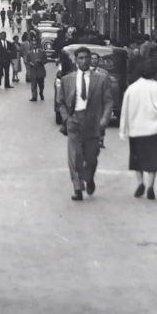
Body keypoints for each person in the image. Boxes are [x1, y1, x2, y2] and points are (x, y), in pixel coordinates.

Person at [56, 48, 113, 201]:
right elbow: (60, 102)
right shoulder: (67, 79)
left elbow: (108, 102)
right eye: (80, 58)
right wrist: (66, 118)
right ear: (76, 61)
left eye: (87, 58)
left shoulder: (101, 79)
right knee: (75, 156)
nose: (84, 61)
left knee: (92, 156)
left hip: (94, 122)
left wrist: (104, 119)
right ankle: (77, 188)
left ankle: (89, 177)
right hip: (74, 119)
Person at [119, 58, 157, 200]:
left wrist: (123, 130)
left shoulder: (131, 89)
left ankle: (140, 182)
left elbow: (125, 111)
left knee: (137, 159)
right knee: (152, 160)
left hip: (135, 129)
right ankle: (151, 186)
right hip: (154, 130)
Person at [25, 35, 48, 101]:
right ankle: (34, 96)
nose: (34, 46)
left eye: (35, 44)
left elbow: (46, 60)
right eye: (32, 44)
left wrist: (41, 61)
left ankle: (41, 93)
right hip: (33, 71)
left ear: (37, 45)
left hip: (40, 71)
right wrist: (30, 64)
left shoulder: (42, 52)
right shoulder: (29, 53)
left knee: (41, 85)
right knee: (33, 85)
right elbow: (27, 61)